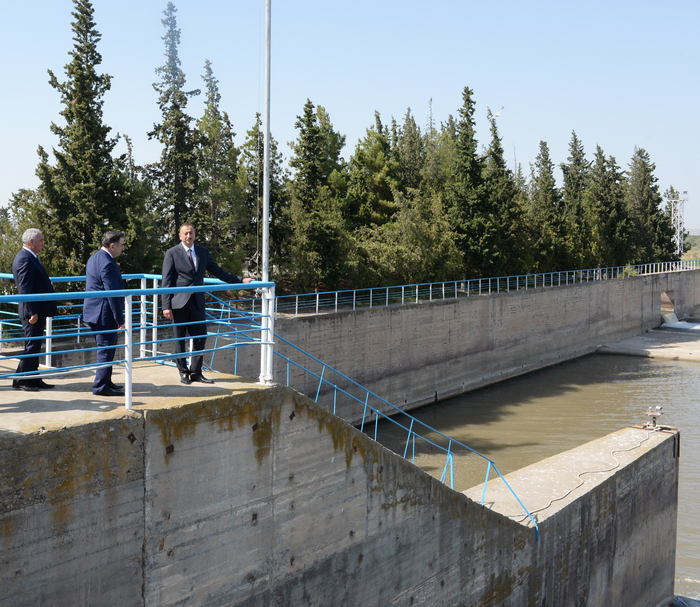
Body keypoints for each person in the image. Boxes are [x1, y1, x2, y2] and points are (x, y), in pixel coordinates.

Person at [161, 224, 253, 384]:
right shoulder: (172, 253)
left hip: (197, 302)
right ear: (180, 236)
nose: (189, 236)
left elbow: (218, 272)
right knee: (179, 339)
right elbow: (166, 281)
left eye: (191, 233)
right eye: (185, 234)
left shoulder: (202, 252)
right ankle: (183, 372)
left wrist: (240, 280)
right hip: (178, 303)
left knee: (200, 337)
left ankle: (196, 372)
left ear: (195, 235)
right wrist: (165, 305)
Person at [11, 228, 57, 391]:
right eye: (41, 240)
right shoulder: (24, 258)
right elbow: (25, 288)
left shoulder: (30, 257)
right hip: (32, 311)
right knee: (31, 345)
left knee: (35, 345)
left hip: (37, 309)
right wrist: (32, 312)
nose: (43, 244)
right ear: (32, 242)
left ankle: (32, 377)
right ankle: (21, 380)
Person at [83, 231, 126, 397]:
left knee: (108, 350)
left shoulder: (94, 257)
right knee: (105, 349)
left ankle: (106, 381)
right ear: (112, 245)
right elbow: (111, 293)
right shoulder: (107, 262)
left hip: (94, 312)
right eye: (121, 245)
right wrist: (120, 319)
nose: (123, 248)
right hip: (103, 314)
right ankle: (101, 387)